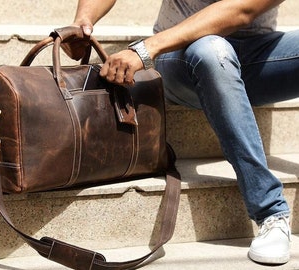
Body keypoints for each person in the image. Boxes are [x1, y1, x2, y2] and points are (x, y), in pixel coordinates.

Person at [72, 0, 298, 265]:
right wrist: (82, 22)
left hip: (257, 59)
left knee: (216, 48)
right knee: (212, 49)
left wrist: (144, 49)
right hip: (179, 56)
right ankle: (270, 210)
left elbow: (242, 9)